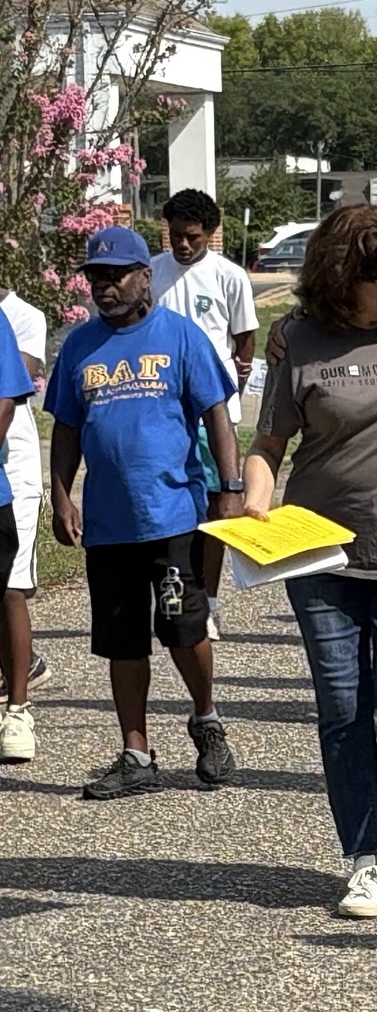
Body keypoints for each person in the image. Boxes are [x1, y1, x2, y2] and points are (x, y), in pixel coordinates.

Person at [244, 206, 377, 919]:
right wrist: (254, 505)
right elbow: (268, 445)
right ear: (345, 278)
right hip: (320, 552)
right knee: (342, 706)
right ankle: (366, 860)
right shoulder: (299, 341)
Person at [44, 226, 242, 800]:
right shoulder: (80, 346)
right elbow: (67, 427)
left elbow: (216, 414)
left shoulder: (179, 336)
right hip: (109, 525)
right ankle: (136, 754)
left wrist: (230, 486)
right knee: (121, 639)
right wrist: (62, 495)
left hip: (172, 516)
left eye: (116, 276)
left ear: (144, 277)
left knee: (183, 627)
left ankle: (205, 718)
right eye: (96, 278)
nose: (104, 287)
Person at [152, 189, 259, 640]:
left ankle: (209, 602)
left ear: (211, 234)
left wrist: (230, 388)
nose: (182, 244)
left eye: (192, 237)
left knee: (216, 507)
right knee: (172, 504)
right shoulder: (152, 273)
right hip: (163, 410)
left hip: (211, 412)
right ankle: (173, 593)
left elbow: (244, 339)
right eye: (175, 235)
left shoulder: (229, 276)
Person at [0, 285, 51, 764]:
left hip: (12, 470)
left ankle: (17, 708)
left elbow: (11, 393)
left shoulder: (21, 317)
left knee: (11, 588)